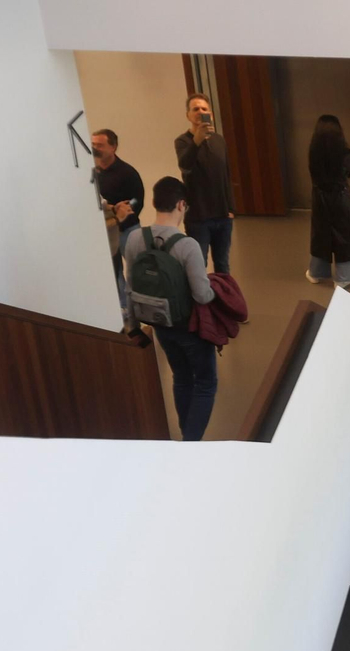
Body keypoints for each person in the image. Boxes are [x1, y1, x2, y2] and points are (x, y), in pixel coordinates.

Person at [122, 177, 218, 441]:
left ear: (154, 202)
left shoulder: (134, 239)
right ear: (181, 205)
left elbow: (130, 287)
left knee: (182, 378)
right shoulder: (188, 246)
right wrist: (217, 290)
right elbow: (202, 295)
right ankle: (190, 443)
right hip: (189, 328)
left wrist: (133, 327)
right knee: (206, 383)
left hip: (159, 325)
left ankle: (186, 438)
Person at [174, 93, 236, 274]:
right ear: (188, 115)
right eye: (195, 109)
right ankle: (201, 293)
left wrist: (231, 208)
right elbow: (185, 165)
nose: (200, 112)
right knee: (198, 264)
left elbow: (226, 175)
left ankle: (223, 292)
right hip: (198, 216)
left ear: (211, 114)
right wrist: (197, 140)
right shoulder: (183, 141)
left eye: (204, 109)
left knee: (223, 264)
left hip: (223, 215)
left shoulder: (219, 140)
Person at [304, 114, 350, 288]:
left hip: (319, 199)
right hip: (339, 198)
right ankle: (343, 278)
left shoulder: (313, 151)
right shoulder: (344, 153)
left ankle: (316, 273)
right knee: (344, 236)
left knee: (321, 235)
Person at [92, 129, 144, 319]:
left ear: (113, 147)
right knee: (115, 272)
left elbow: (138, 199)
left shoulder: (127, 172)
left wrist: (126, 209)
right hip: (107, 232)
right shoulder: (92, 173)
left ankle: (140, 308)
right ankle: (123, 308)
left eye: (100, 145)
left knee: (135, 271)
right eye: (93, 144)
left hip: (128, 229)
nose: (95, 148)